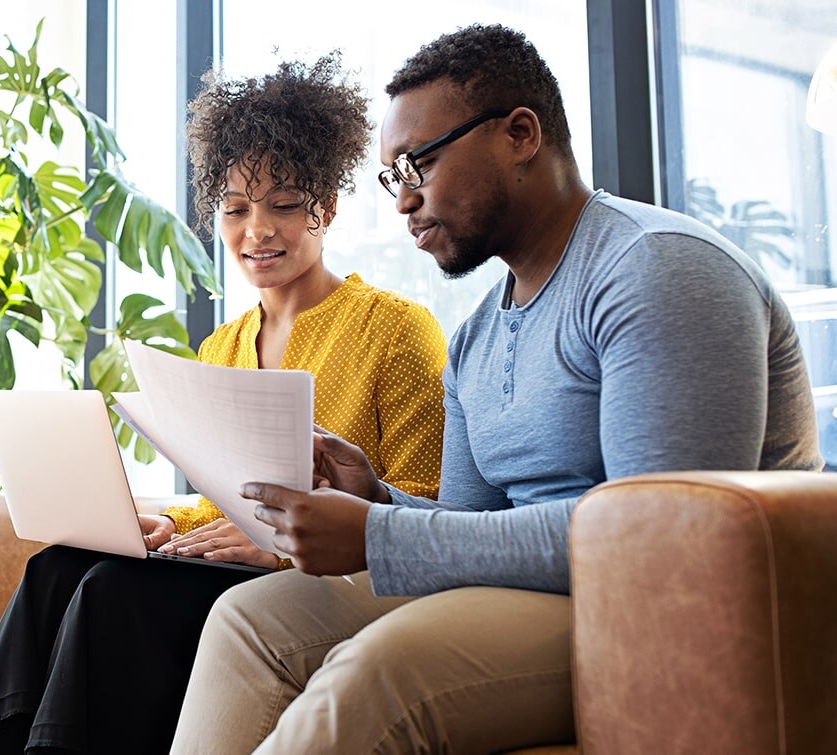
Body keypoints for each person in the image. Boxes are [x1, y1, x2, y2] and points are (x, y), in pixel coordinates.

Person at [170, 24, 822, 754]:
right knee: (250, 622)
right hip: (543, 595)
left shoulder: (655, 270)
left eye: (419, 164)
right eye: (393, 176)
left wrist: (377, 531)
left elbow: (654, 542)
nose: (403, 200)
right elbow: (465, 528)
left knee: (381, 670)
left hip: (661, 609)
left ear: (519, 134)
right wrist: (378, 498)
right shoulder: (478, 335)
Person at [0, 54, 448, 754]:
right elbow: (221, 503)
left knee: (110, 596)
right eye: (236, 209)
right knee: (56, 567)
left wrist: (277, 550)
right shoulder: (221, 346)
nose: (257, 232)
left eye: (283, 205)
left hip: (327, 581)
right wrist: (153, 521)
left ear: (326, 207)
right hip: (233, 567)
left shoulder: (396, 329)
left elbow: (422, 505)